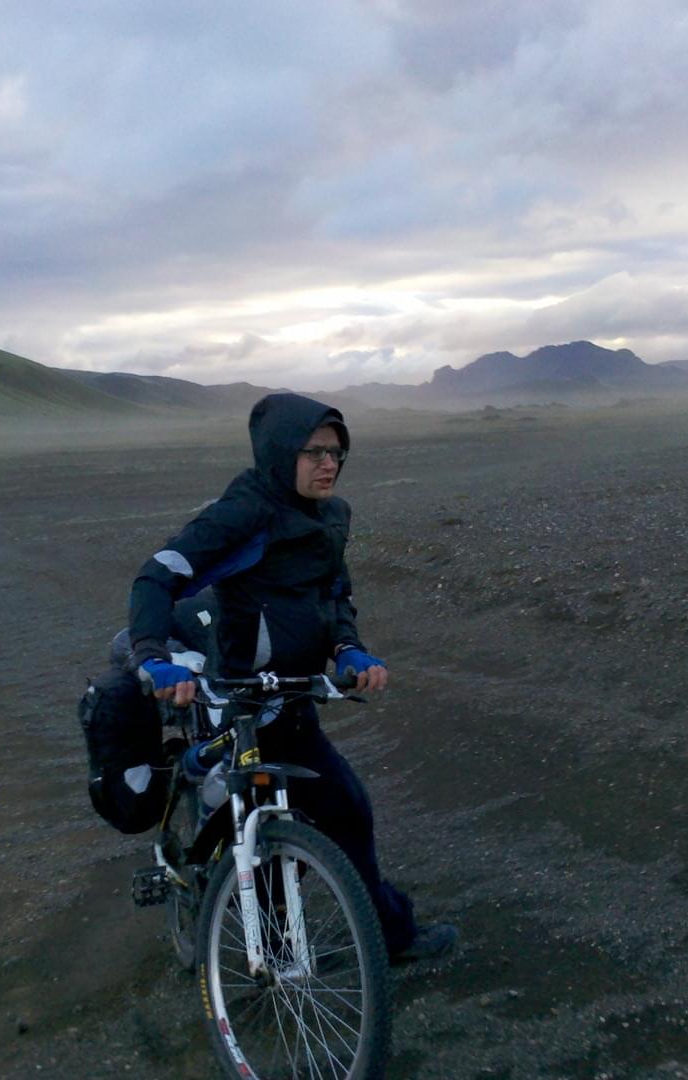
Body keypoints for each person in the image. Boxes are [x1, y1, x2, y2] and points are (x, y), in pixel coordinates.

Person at [127, 392, 458, 963]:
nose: (329, 464)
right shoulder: (243, 513)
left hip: (291, 698)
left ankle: (389, 936)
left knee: (347, 810)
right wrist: (152, 655)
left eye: (337, 452)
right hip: (239, 704)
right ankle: (275, 966)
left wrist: (348, 648)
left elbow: (333, 593)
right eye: (314, 452)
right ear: (281, 453)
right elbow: (158, 576)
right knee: (259, 837)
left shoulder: (330, 515)